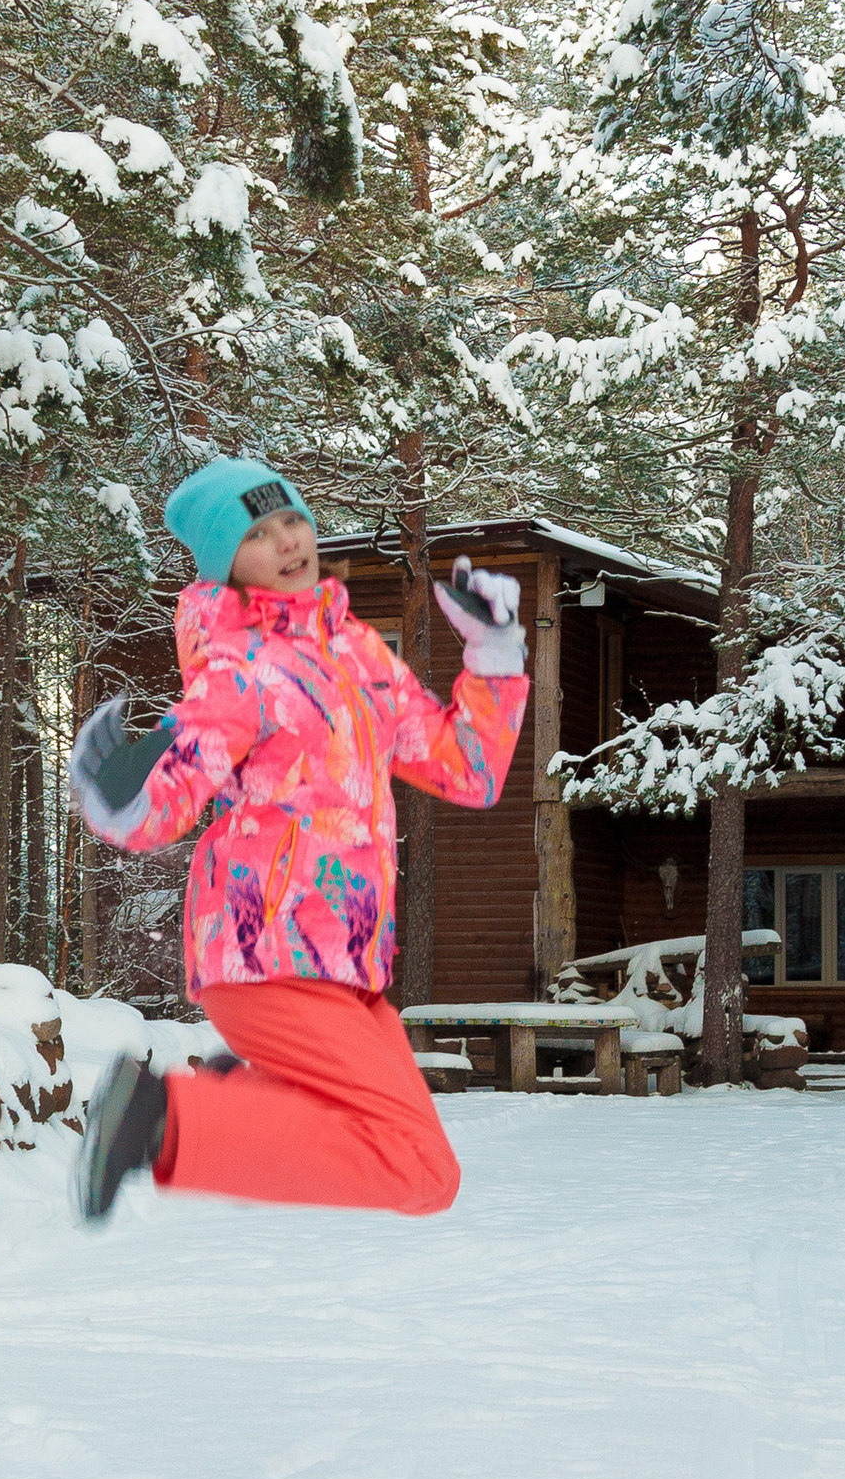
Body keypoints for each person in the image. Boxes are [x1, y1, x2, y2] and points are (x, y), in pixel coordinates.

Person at [65, 455, 530, 1221]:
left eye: (290, 519)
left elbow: (464, 771)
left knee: (421, 1170)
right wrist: (115, 791)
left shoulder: (354, 654)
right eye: (257, 534)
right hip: (268, 955)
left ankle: (225, 1098)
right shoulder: (237, 669)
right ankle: (159, 1118)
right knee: (417, 1170)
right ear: (230, 567)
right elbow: (169, 797)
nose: (285, 540)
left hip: (345, 965)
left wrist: (494, 653)